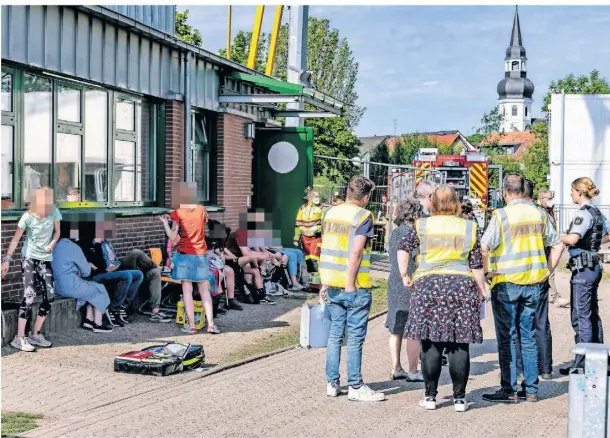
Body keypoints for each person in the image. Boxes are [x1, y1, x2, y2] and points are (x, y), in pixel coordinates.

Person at [481, 174, 563, 404]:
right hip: (534, 284)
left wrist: (487, 272)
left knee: (507, 337)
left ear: (505, 192)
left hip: (507, 284)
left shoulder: (501, 215)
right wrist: (547, 270)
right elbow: (557, 244)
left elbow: (485, 247)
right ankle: (532, 390)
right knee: (527, 336)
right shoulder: (539, 213)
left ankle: (509, 390)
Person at [403, 186, 485, 412]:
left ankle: (430, 397)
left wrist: (403, 274)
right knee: (459, 344)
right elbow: (476, 263)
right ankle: (459, 399)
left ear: (434, 202)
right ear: (456, 203)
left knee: (430, 343)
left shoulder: (421, 225)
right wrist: (480, 290)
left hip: (428, 287)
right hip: (460, 287)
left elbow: (403, 247)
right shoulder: (469, 227)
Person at [320, 175, 385, 402]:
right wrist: (350, 283)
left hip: (331, 282)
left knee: (335, 333)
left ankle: (332, 383)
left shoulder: (330, 213)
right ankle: (356, 385)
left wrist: (325, 282)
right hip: (353, 286)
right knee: (355, 337)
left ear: (348, 192)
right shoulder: (363, 216)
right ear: (366, 197)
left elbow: (329, 246)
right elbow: (356, 251)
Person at [559, 177, 608, 376]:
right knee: (592, 314)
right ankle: (600, 361)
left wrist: (553, 235)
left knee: (581, 317)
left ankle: (583, 363)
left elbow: (572, 238)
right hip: (593, 267)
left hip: (583, 270)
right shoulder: (596, 212)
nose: (571, 195)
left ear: (579, 192)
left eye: (572, 191)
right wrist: (593, 245)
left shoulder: (583, 214)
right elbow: (608, 234)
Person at [1, 188, 60, 352]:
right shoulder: (27, 217)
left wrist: (52, 243)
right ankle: (19, 338)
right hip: (29, 258)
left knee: (50, 296)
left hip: (45, 259)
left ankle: (35, 333)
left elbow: (58, 232)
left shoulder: (54, 212)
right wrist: (6, 260)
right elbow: (15, 239)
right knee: (29, 295)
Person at [87, 216, 171, 325]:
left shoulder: (107, 242)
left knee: (154, 273)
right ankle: (158, 266)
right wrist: (97, 242)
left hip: (120, 267)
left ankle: (155, 312)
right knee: (135, 253)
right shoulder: (95, 244)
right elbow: (102, 265)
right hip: (114, 270)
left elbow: (114, 259)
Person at [160, 182, 219, 334]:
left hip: (185, 254)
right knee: (204, 290)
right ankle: (211, 324)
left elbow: (173, 238)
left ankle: (192, 325)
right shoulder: (201, 210)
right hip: (201, 253)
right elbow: (203, 226)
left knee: (187, 290)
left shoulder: (178, 213)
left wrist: (166, 224)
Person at [514, 180, 555, 381]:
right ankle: (546, 368)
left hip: (518, 275)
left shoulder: (513, 215)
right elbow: (556, 244)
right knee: (541, 322)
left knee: (521, 324)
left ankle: (522, 368)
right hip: (540, 276)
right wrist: (549, 270)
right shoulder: (543, 215)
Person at [51, 221, 113, 333]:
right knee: (100, 289)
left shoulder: (54, 245)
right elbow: (86, 272)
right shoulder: (73, 247)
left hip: (56, 287)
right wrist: (85, 267)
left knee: (91, 289)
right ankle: (98, 324)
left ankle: (88, 321)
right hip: (70, 286)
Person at [387, 199, 424, 382]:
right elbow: (418, 258)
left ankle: (396, 367)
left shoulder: (394, 233)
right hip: (411, 281)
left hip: (394, 281)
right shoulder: (414, 234)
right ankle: (413, 370)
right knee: (414, 329)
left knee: (396, 329)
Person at [225, 222, 276, 305]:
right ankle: (259, 276)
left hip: (239, 259)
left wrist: (263, 255)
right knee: (252, 260)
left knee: (255, 271)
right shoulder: (241, 234)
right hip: (232, 260)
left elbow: (251, 252)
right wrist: (261, 257)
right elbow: (246, 254)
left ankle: (262, 296)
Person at [294, 188, 325, 290]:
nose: (318, 198)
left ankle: (316, 286)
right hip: (304, 239)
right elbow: (298, 225)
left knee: (313, 259)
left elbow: (325, 224)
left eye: (318, 196)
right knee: (308, 261)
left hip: (316, 237)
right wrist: (296, 238)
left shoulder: (322, 208)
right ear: (310, 198)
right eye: (316, 196)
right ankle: (312, 285)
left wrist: (317, 230)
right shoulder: (302, 209)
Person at [538, 189, 565, 307]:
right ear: (542, 198)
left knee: (550, 272)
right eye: (549, 199)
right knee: (549, 272)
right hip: (544, 246)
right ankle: (556, 297)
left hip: (550, 245)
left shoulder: (548, 211)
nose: (551, 201)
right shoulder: (539, 211)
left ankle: (554, 297)